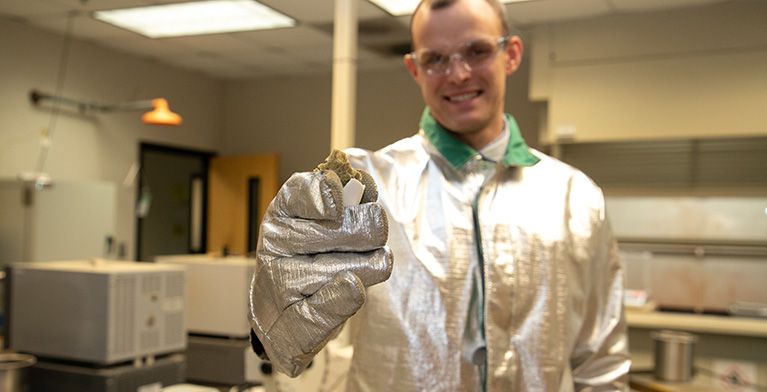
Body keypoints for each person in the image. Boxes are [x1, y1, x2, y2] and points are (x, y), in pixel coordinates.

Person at [249, 0, 631, 390]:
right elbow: (288, 340)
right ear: (415, 68)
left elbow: (601, 360)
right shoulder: (364, 190)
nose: (458, 74)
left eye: (477, 51)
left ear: (510, 54)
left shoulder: (576, 197)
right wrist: (276, 308)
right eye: (436, 59)